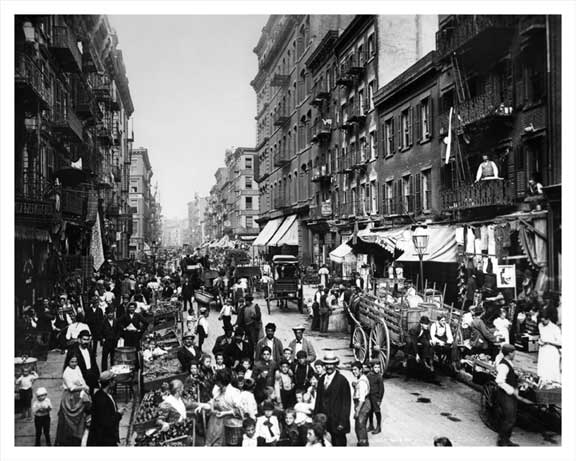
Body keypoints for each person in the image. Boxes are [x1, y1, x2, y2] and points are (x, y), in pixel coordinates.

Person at [314, 351, 352, 446]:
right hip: (324, 419)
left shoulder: (342, 381)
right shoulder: (322, 379)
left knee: (338, 443)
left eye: (331, 364)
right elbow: (318, 399)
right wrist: (315, 416)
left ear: (335, 365)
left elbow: (346, 404)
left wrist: (343, 422)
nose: (329, 367)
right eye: (327, 364)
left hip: (337, 420)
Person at [55, 354, 91, 446]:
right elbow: (71, 387)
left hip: (80, 394)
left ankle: (80, 436)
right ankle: (69, 440)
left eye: (75, 361)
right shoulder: (66, 373)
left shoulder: (77, 368)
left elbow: (81, 379)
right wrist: (83, 387)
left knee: (83, 415)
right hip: (70, 398)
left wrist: (85, 386)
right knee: (69, 421)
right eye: (72, 362)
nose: (74, 363)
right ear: (68, 362)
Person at [87, 371, 124, 446]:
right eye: (114, 380)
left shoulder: (102, 394)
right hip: (103, 439)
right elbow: (107, 422)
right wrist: (119, 414)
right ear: (110, 382)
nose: (115, 382)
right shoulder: (102, 399)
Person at [494, 344, 520, 446]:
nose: (515, 355)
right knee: (509, 418)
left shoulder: (508, 362)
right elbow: (499, 381)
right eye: (514, 353)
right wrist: (511, 390)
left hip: (509, 395)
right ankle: (502, 441)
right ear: (510, 353)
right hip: (505, 396)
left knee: (511, 418)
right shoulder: (504, 365)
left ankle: (506, 439)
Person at [537, 310, 561, 385]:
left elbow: (561, 343)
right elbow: (541, 336)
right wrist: (540, 341)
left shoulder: (555, 328)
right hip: (543, 350)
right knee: (542, 370)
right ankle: (542, 386)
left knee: (551, 371)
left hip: (552, 351)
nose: (543, 322)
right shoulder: (540, 325)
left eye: (544, 320)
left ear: (548, 319)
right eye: (541, 319)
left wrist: (548, 341)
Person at [351, 361, 371, 446]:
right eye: (352, 370)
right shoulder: (361, 379)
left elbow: (362, 399)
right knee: (359, 426)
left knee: (360, 426)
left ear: (361, 369)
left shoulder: (362, 381)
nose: (353, 372)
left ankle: (363, 444)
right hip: (362, 404)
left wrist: (357, 411)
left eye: (355, 369)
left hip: (362, 405)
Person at [366, 359, 384, 434]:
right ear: (372, 368)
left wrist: (379, 399)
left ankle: (378, 426)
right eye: (376, 367)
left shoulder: (379, 377)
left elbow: (382, 389)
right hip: (370, 396)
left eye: (378, 367)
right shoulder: (369, 375)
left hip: (376, 397)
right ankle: (371, 425)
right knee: (370, 411)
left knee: (377, 411)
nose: (377, 369)